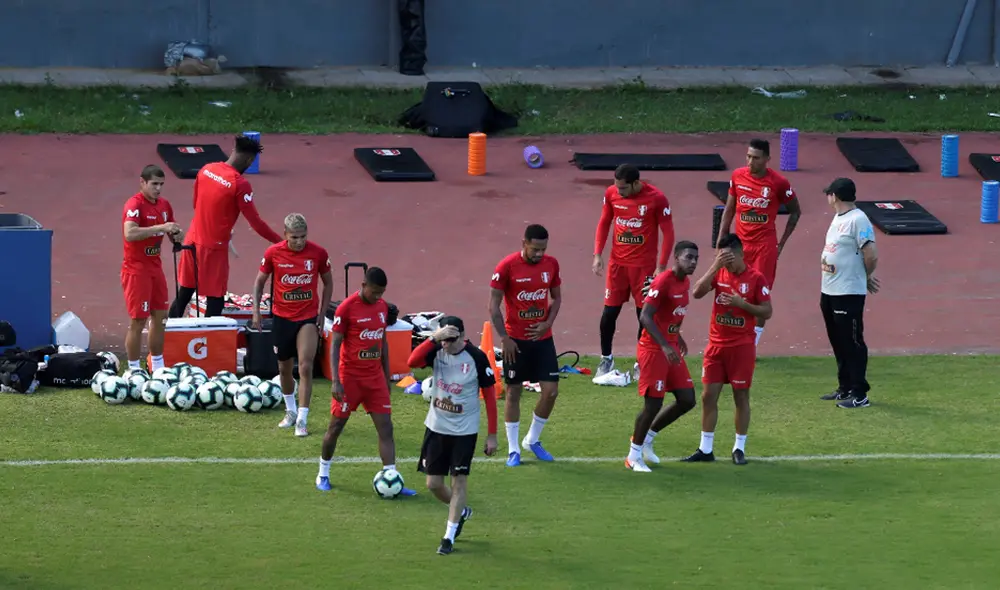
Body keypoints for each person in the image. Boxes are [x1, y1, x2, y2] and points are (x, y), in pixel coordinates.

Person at [316, 267, 416, 496]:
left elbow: (383, 342)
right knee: (336, 427)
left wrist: (387, 375)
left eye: (382, 292)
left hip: (374, 380)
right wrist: (336, 381)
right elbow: (336, 344)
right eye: (374, 291)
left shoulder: (382, 308)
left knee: (386, 428)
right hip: (350, 378)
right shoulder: (346, 308)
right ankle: (323, 473)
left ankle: (391, 476)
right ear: (363, 285)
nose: (378, 296)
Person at [406, 317, 499, 555]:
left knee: (459, 482)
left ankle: (448, 536)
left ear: (462, 336)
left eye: (450, 339)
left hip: (464, 431)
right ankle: (461, 512)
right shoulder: (437, 349)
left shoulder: (476, 358)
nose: (446, 344)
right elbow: (412, 361)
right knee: (433, 484)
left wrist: (492, 435)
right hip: (436, 427)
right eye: (443, 339)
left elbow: (490, 397)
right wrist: (434, 339)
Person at [168, 134, 283, 319]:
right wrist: (281, 241)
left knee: (184, 293)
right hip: (213, 248)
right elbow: (256, 223)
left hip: (192, 241)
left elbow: (197, 204)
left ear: (233, 151)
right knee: (216, 300)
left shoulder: (206, 169)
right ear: (250, 160)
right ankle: (208, 345)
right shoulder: (240, 184)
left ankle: (169, 342)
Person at [683, 233, 772, 466]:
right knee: (708, 396)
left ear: (740, 253)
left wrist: (741, 304)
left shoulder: (756, 278)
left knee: (740, 396)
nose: (726, 262)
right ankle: (705, 449)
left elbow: (767, 311)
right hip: (716, 346)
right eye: (721, 257)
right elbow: (697, 292)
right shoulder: (719, 272)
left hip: (741, 348)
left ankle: (739, 448)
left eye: (728, 258)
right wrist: (715, 266)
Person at [250, 213, 333, 437]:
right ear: (285, 234)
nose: (299, 241)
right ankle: (291, 411)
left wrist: (322, 313)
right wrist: (256, 311)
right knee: (284, 369)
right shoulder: (273, 253)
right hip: (281, 319)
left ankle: (303, 420)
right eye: (295, 237)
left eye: (303, 236)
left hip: (306, 318)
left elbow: (328, 282)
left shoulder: (318, 253)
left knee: (305, 366)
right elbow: (259, 283)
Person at [488, 223, 563, 467]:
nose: (539, 254)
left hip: (542, 339)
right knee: (513, 392)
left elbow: (557, 296)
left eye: (543, 249)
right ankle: (513, 450)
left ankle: (532, 440)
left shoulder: (551, 264)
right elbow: (494, 306)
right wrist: (504, 338)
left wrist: (548, 322)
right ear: (524, 244)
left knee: (551, 391)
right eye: (535, 249)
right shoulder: (506, 267)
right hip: (515, 342)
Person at [715, 138, 801, 347]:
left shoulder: (779, 183)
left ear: (767, 159)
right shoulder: (737, 176)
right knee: (730, 288)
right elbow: (729, 208)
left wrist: (781, 243)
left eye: (756, 158)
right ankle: (734, 333)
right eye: (748, 156)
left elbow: (795, 212)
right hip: (739, 246)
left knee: (760, 294)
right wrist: (721, 237)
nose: (750, 161)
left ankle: (753, 341)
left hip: (765, 247)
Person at [592, 164, 675, 378]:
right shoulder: (611, 193)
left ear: (636, 183)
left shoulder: (657, 199)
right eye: (617, 187)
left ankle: (642, 361)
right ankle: (606, 359)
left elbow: (668, 234)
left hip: (644, 268)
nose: (619, 192)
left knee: (644, 315)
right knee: (609, 313)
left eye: (623, 188)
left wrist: (661, 266)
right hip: (617, 266)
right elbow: (604, 222)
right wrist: (597, 254)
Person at [628, 241, 700, 472]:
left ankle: (647, 438)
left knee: (687, 399)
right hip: (653, 349)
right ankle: (633, 456)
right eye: (688, 257)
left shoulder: (684, 282)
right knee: (653, 404)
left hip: (670, 345)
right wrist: (665, 345)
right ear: (676, 257)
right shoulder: (663, 281)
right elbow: (646, 317)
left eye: (696, 258)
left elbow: (671, 314)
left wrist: (677, 337)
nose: (693, 262)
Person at [818, 178, 879, 409]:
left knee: (852, 342)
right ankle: (844, 388)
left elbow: (870, 253)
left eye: (829, 194)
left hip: (847, 291)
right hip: (830, 289)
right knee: (838, 341)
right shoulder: (838, 219)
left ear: (835, 196)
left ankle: (860, 393)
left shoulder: (858, 219)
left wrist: (864, 277)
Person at [121, 165, 183, 373]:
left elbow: (171, 231)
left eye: (161, 185)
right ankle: (133, 369)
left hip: (155, 269)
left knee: (160, 317)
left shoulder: (164, 205)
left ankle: (157, 366)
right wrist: (161, 228)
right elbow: (129, 233)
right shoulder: (134, 205)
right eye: (154, 184)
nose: (158, 189)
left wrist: (177, 236)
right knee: (138, 320)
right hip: (136, 270)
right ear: (143, 182)